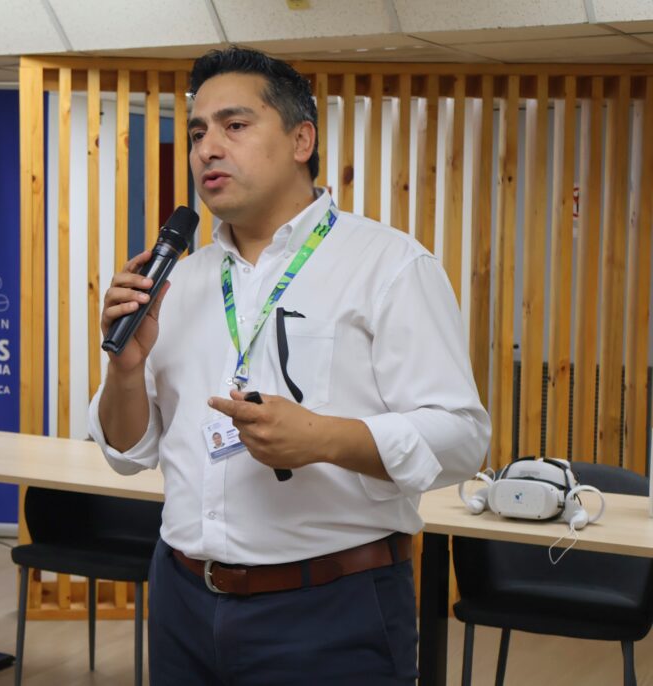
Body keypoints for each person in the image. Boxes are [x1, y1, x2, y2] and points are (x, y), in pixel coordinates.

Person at [88, 46, 490, 685]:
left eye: (234, 125)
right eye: (197, 133)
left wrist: (324, 438)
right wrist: (126, 371)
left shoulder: (388, 265)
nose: (208, 149)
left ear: (302, 140)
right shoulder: (179, 282)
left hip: (332, 608)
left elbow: (464, 439)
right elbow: (126, 453)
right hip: (181, 599)